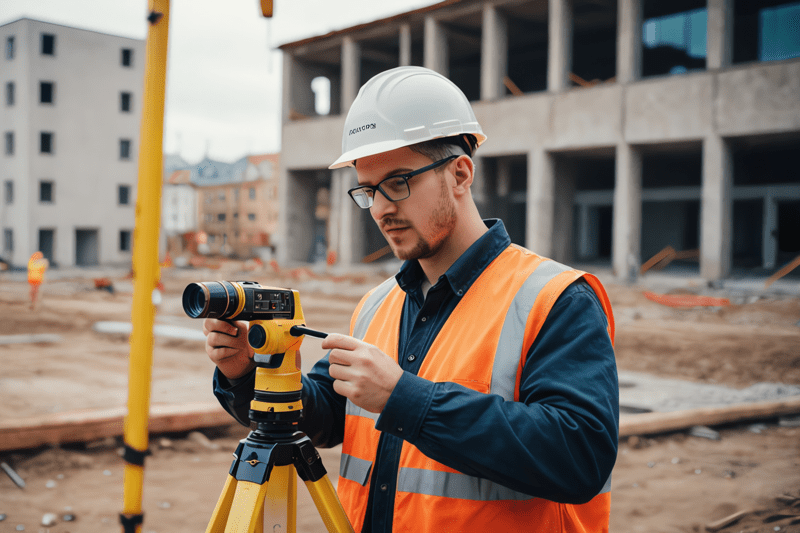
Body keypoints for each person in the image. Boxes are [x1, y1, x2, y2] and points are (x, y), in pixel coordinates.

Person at [206, 66, 619, 532]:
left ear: (460, 173)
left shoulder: (554, 298)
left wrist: (405, 399)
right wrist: (245, 372)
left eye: (399, 182)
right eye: (367, 190)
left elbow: (580, 455)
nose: (380, 208)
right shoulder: (378, 305)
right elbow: (324, 417)